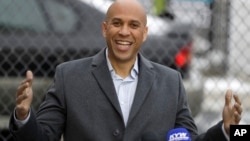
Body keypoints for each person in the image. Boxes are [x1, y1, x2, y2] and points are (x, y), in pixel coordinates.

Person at [9, 0, 242, 141]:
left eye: (133, 25)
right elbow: (42, 137)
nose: (124, 32)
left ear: (144, 33)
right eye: (117, 23)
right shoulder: (69, 76)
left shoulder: (171, 82)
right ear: (104, 28)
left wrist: (227, 130)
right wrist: (23, 116)